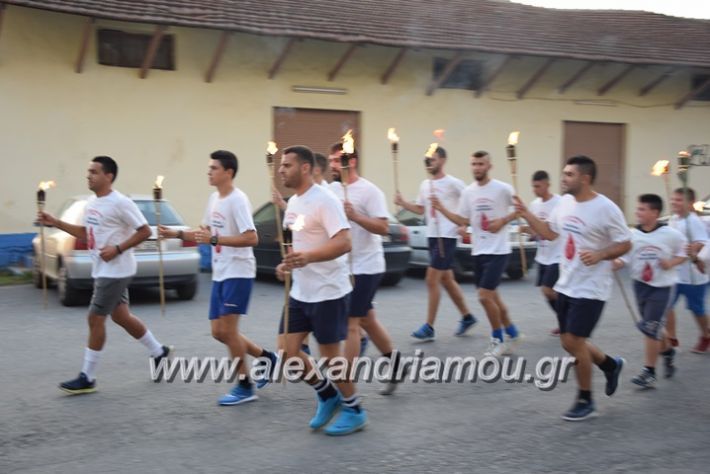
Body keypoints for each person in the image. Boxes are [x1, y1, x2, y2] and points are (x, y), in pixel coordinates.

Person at [38, 156, 171, 395]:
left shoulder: (120, 203)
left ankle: (87, 377)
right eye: (88, 171)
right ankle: (159, 351)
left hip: (115, 271)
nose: (88, 175)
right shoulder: (92, 202)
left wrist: (118, 248)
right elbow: (85, 233)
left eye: (94, 172)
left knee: (95, 318)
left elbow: (144, 231)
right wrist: (55, 222)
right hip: (103, 269)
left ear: (108, 176)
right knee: (121, 316)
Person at [514, 155, 631, 421]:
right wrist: (526, 213)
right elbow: (550, 232)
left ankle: (586, 400)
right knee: (569, 342)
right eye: (564, 173)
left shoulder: (606, 208)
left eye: (569, 174)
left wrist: (601, 254)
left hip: (592, 287)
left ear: (585, 178)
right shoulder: (565, 203)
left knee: (574, 342)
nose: (563, 178)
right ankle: (610, 365)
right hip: (567, 283)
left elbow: (625, 243)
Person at [160, 150, 277, 406]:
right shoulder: (214, 199)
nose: (209, 171)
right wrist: (176, 234)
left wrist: (215, 239)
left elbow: (251, 237)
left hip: (238, 272)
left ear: (228, 172)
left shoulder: (238, 200)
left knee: (229, 331)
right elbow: (204, 232)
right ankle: (266, 357)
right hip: (221, 272)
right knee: (218, 332)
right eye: (209, 167)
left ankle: (245, 386)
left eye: (214, 168)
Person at [277, 145, 366, 436]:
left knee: (331, 358)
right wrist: (287, 263)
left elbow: (344, 242)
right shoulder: (293, 203)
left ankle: (354, 409)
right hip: (300, 291)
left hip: (328, 291)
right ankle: (327, 394)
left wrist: (308, 257)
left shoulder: (325, 200)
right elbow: (300, 244)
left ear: (305, 168)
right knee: (287, 352)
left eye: (287, 165)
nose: (281, 170)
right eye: (281, 165)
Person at [328, 144, 404, 395]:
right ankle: (396, 364)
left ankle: (344, 385)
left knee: (351, 323)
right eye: (330, 160)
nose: (332, 165)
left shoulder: (370, 191)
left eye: (337, 160)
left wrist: (356, 216)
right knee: (367, 320)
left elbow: (383, 228)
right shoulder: (331, 190)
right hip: (343, 266)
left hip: (367, 266)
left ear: (352, 161)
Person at [432, 151, 522, 357]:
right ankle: (513, 332)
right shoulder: (468, 192)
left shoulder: (503, 188)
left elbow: (520, 209)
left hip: (498, 251)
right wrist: (441, 208)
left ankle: (497, 340)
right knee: (493, 297)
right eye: (474, 164)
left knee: (484, 296)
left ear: (489, 166)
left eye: (481, 164)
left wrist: (503, 221)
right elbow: (462, 219)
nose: (477, 168)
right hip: (479, 251)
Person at [394, 146, 477, 341]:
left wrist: (464, 224)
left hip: (446, 237)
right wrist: (403, 202)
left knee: (431, 279)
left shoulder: (454, 183)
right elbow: (420, 209)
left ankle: (429, 327)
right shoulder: (425, 184)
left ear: (442, 160)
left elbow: (470, 202)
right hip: (432, 236)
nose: (429, 162)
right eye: (427, 159)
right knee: (446, 279)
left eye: (433, 158)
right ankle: (467, 317)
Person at [612, 194, 686, 388]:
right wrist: (616, 263)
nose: (637, 212)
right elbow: (625, 257)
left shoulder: (671, 234)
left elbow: (683, 253)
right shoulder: (632, 235)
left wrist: (671, 263)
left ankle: (649, 372)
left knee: (650, 328)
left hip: (662, 288)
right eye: (638, 209)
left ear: (655, 212)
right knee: (652, 327)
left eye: (642, 209)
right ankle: (668, 351)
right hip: (640, 286)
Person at [665, 187, 709, 353]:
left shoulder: (694, 221)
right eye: (673, 199)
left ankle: (706, 335)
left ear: (690, 203)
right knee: (666, 306)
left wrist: (695, 248)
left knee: (697, 309)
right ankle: (671, 339)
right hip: (674, 273)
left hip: (693, 275)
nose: (674, 202)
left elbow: (703, 242)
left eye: (679, 200)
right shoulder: (673, 219)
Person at [527, 170, 562, 336]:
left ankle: (567, 318)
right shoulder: (534, 205)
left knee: (548, 290)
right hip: (543, 256)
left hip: (558, 254)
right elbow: (535, 230)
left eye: (538, 186)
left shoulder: (559, 203)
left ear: (547, 185)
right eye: (533, 187)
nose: (535, 190)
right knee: (547, 292)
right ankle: (564, 320)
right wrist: (527, 230)